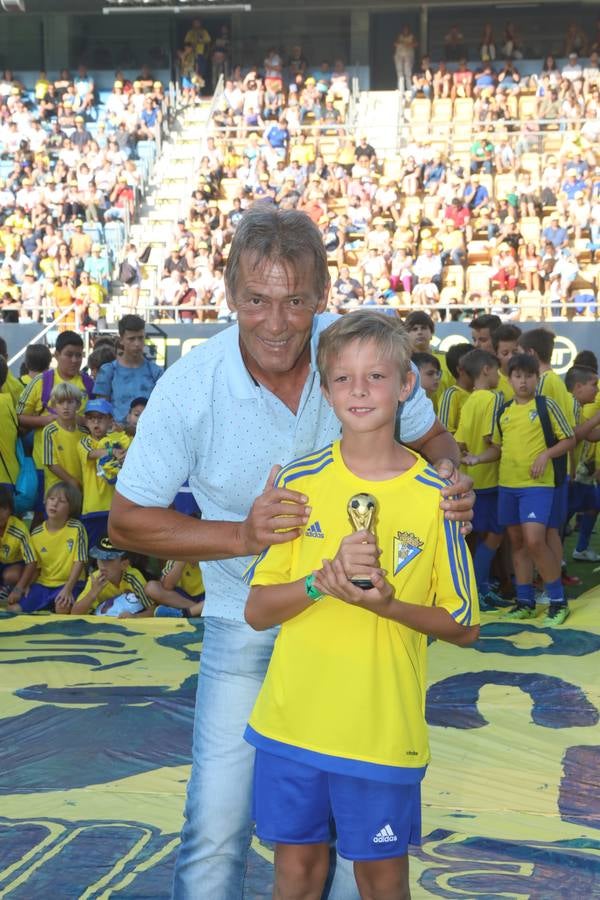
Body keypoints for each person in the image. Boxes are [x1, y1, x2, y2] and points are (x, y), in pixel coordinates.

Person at [109, 205, 475, 900]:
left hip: (358, 630)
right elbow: (127, 520)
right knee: (217, 824)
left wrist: (454, 480)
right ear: (227, 294)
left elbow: (433, 440)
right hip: (246, 621)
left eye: (295, 301)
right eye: (256, 300)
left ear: (322, 294)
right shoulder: (192, 385)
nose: (276, 322)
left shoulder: (353, 359)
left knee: (351, 844)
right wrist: (241, 538)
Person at [243, 312, 479, 900]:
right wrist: (319, 586)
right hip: (292, 722)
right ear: (325, 391)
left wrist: (389, 606)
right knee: (295, 874)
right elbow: (257, 609)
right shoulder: (298, 482)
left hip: (380, 731)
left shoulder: (438, 498)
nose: (359, 391)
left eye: (375, 376)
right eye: (344, 379)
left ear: (406, 386)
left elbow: (465, 626)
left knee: (380, 881)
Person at [465, 353, 575, 626]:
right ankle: (524, 602)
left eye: (529, 376)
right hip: (507, 486)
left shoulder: (546, 405)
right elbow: (498, 449)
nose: (523, 381)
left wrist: (545, 455)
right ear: (509, 379)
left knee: (536, 540)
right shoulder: (504, 410)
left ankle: (558, 601)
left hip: (537, 487)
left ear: (537, 378)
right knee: (516, 543)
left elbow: (569, 439)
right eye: (518, 376)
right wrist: (477, 458)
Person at [17, 331, 93, 516]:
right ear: (57, 355)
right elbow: (18, 416)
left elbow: (96, 420)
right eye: (69, 354)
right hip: (44, 466)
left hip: (79, 465)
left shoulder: (89, 384)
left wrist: (79, 420)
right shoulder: (42, 381)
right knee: (44, 514)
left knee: (75, 515)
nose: (75, 360)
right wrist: (46, 419)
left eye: (79, 355)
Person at [455, 350, 504, 608]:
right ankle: (479, 589)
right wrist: (481, 457)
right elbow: (492, 443)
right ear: (486, 369)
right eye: (497, 370)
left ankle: (479, 586)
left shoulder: (471, 399)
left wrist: (467, 458)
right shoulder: (491, 399)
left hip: (473, 481)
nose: (499, 376)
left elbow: (459, 443)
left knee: (478, 537)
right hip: (489, 480)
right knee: (495, 535)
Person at [7, 481, 87, 614]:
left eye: (61, 501)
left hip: (69, 584)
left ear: (71, 507)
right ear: (45, 501)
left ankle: (52, 606)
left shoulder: (77, 528)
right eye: (51, 499)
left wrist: (67, 589)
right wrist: (28, 585)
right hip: (43, 585)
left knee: (62, 608)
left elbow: (79, 562)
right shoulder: (36, 533)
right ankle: (47, 605)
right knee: (13, 610)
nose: (54, 504)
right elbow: (37, 568)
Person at [78, 398, 129, 550]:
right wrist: (111, 451)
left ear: (110, 421)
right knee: (93, 551)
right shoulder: (84, 442)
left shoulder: (119, 440)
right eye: (91, 418)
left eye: (100, 418)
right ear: (86, 422)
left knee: (117, 551)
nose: (95, 423)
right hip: (93, 508)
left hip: (115, 507)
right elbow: (92, 454)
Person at [93, 314, 162, 424]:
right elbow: (101, 412)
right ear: (121, 340)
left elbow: (162, 409)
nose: (137, 344)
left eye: (140, 338)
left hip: (149, 435)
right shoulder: (108, 371)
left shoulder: (156, 372)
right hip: (116, 437)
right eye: (131, 339)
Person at [71, 536, 151, 617]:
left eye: (109, 560)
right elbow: (74, 612)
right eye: (99, 559)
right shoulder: (95, 579)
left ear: (124, 564)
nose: (102, 566)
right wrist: (93, 593)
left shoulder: (133, 577)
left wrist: (135, 617)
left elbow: (153, 610)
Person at [42, 382, 84, 495]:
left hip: (81, 489)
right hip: (56, 491)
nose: (65, 407)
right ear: (54, 405)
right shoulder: (49, 431)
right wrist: (72, 481)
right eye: (60, 402)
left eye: (70, 402)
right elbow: (51, 463)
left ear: (78, 405)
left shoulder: (84, 432)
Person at [0, 485, 31, 602]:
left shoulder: (20, 529)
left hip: (13, 564)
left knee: (11, 575)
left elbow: (31, 561)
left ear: (11, 509)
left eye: (3, 509)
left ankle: (9, 588)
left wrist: (19, 588)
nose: (0, 513)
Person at [438, 343, 473, 434]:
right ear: (460, 370)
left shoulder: (482, 393)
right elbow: (445, 432)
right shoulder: (451, 395)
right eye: (476, 363)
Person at [491, 323, 521, 404]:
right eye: (505, 353)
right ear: (496, 354)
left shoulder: (533, 379)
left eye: (515, 352)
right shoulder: (491, 383)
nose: (511, 357)